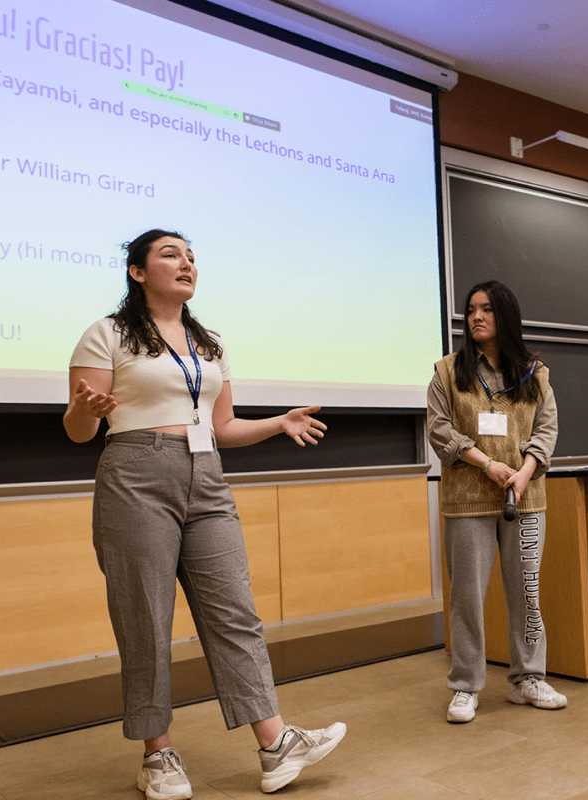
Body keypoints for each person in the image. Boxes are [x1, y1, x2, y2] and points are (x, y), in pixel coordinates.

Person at [64, 229, 346, 799]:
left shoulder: (208, 342)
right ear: (138, 272)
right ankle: (158, 754)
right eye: (170, 254)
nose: (186, 263)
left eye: (191, 256)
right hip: (135, 474)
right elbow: (80, 430)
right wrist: (81, 410)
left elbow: (222, 426)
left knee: (235, 611)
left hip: (206, 474)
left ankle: (275, 745)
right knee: (145, 618)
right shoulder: (107, 334)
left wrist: (277, 424)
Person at [427, 280, 566, 723]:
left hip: (524, 500)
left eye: (486, 309)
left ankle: (528, 679)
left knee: (526, 593)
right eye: (471, 310)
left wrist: (524, 472)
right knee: (467, 596)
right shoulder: (448, 371)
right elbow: (440, 429)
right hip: (468, 500)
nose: (477, 317)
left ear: (505, 315)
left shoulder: (534, 372)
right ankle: (466, 686)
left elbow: (546, 430)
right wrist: (488, 465)